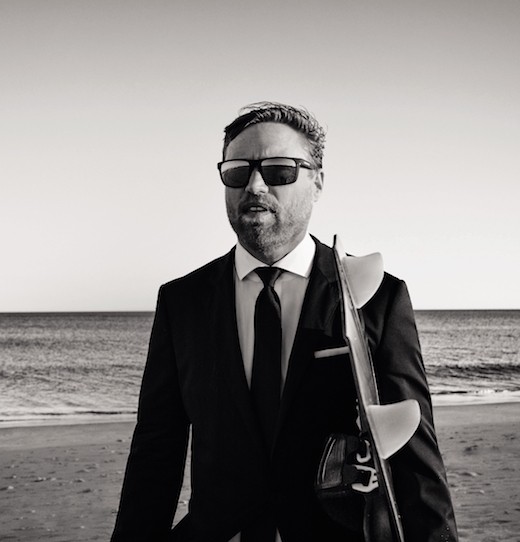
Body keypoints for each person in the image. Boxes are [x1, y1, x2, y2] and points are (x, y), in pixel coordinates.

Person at [111, 102, 458, 542]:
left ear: (318, 182)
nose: (254, 185)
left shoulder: (377, 297)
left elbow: (414, 458)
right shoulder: (183, 301)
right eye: (238, 171)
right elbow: (156, 451)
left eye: (279, 170)